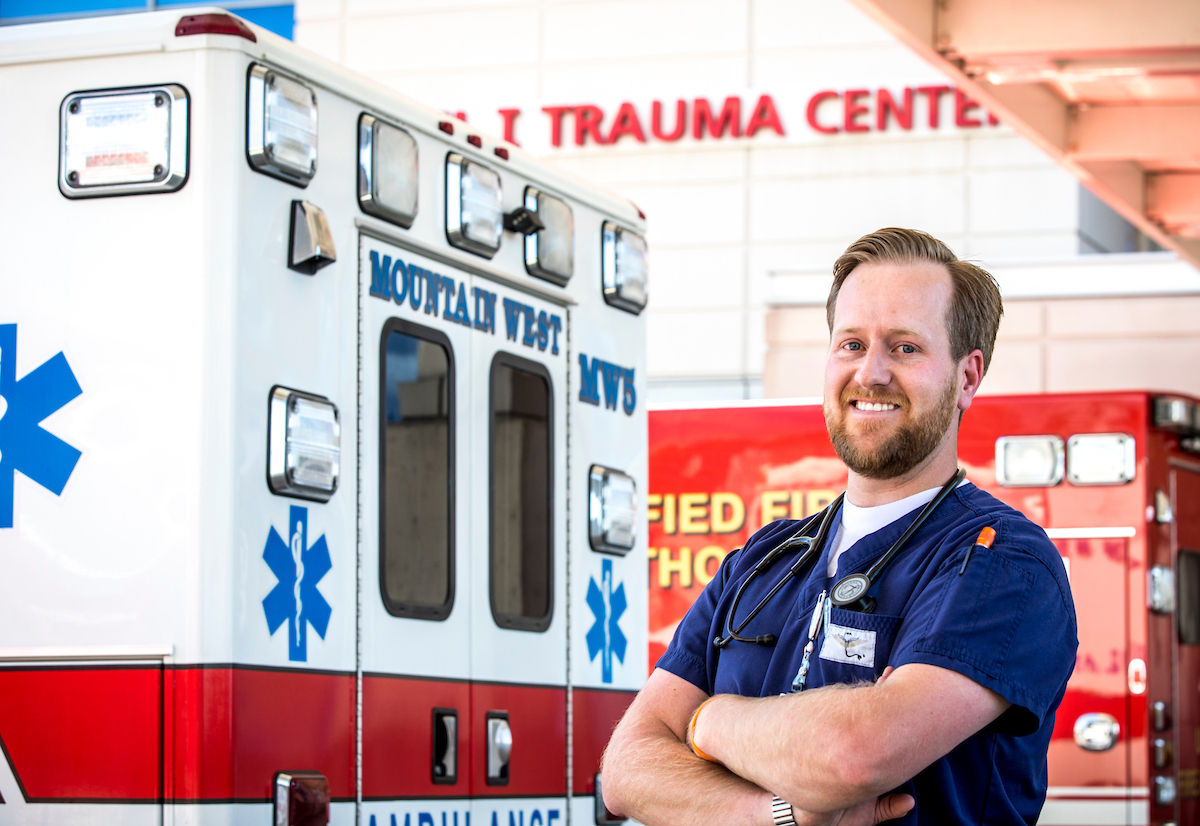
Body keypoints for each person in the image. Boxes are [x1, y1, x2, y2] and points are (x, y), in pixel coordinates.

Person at [601, 228, 1078, 826]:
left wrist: (703, 721)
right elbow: (624, 773)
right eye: (851, 344)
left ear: (967, 376)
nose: (870, 373)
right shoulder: (765, 559)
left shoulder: (999, 561)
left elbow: (853, 755)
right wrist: (775, 816)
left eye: (905, 348)